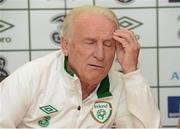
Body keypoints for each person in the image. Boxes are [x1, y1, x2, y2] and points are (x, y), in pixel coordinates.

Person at [0, 5, 160, 128]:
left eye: (108, 44)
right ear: (65, 45)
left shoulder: (121, 84)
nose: (100, 54)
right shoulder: (31, 77)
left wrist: (132, 72)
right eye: (90, 42)